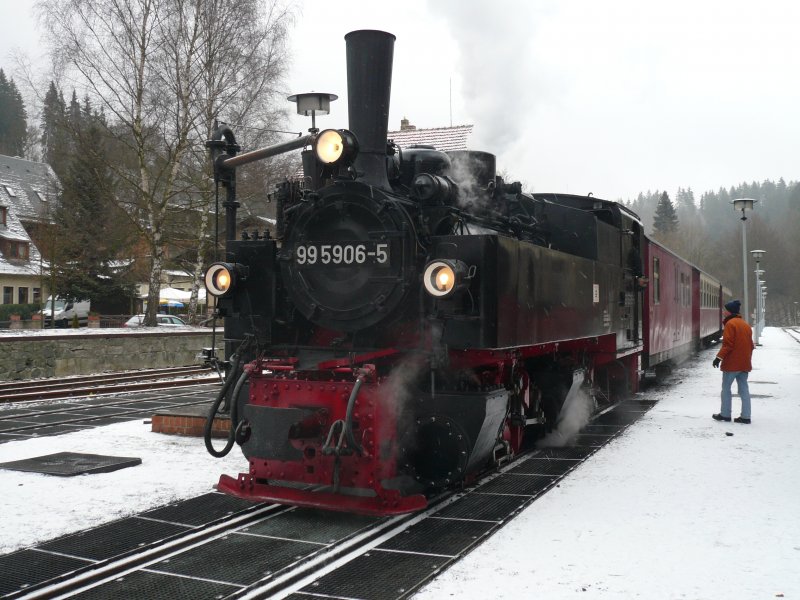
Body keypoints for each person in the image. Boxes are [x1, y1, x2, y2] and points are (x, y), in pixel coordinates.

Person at [712, 299, 755, 424]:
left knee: (726, 389)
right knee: (744, 390)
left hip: (732, 364)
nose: (724, 312)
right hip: (744, 363)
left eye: (725, 310)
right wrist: (746, 359)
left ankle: (725, 414)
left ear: (729, 312)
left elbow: (728, 345)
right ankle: (746, 417)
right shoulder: (745, 325)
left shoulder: (730, 324)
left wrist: (718, 358)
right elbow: (751, 345)